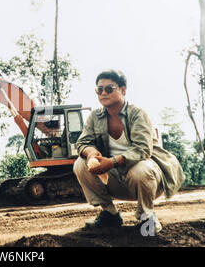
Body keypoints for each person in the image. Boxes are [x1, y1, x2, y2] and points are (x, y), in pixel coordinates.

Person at [74, 69, 185, 233]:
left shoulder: (138, 114)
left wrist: (111, 162)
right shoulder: (94, 117)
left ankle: (146, 217)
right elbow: (83, 142)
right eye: (99, 89)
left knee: (141, 169)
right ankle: (110, 214)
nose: (103, 93)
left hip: (148, 178)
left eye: (109, 89)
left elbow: (142, 149)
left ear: (123, 90)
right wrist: (91, 153)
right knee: (80, 164)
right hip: (116, 178)